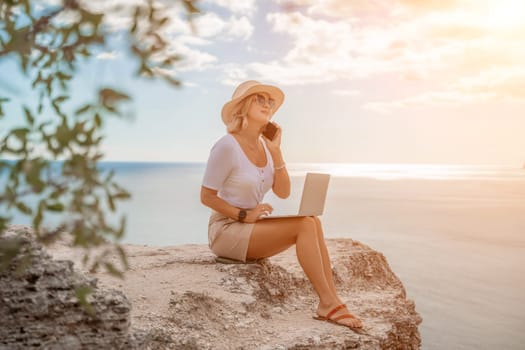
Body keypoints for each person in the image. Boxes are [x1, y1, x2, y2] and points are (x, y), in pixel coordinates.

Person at [200, 80, 363, 330]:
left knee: (312, 221)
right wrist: (243, 215)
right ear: (242, 107)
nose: (267, 104)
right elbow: (206, 196)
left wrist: (277, 153)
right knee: (303, 227)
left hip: (248, 227)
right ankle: (328, 304)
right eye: (259, 99)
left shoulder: (266, 146)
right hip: (226, 231)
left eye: (270, 101)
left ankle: (332, 301)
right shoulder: (226, 146)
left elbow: (283, 192)